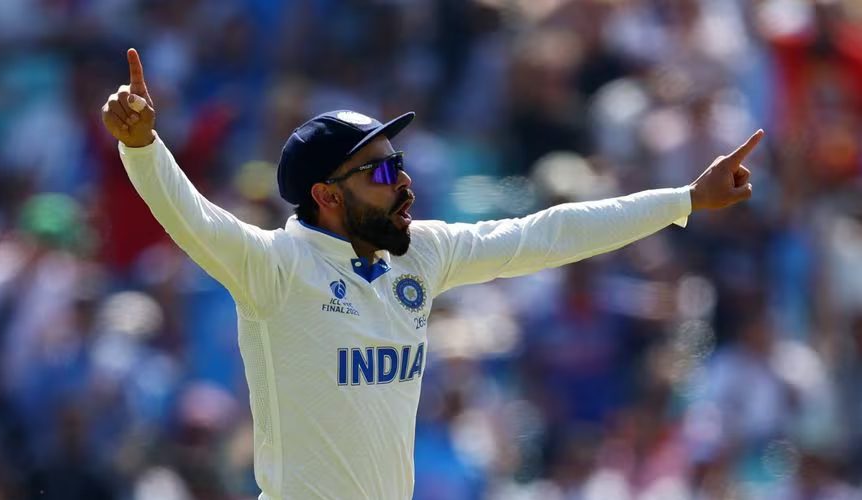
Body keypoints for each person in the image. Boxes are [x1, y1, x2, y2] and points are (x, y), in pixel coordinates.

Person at [101, 48, 762, 500]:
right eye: (383, 172)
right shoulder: (274, 268)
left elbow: (547, 234)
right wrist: (143, 145)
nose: (406, 182)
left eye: (401, 162)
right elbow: (191, 218)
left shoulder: (422, 252)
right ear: (328, 196)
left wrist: (683, 199)